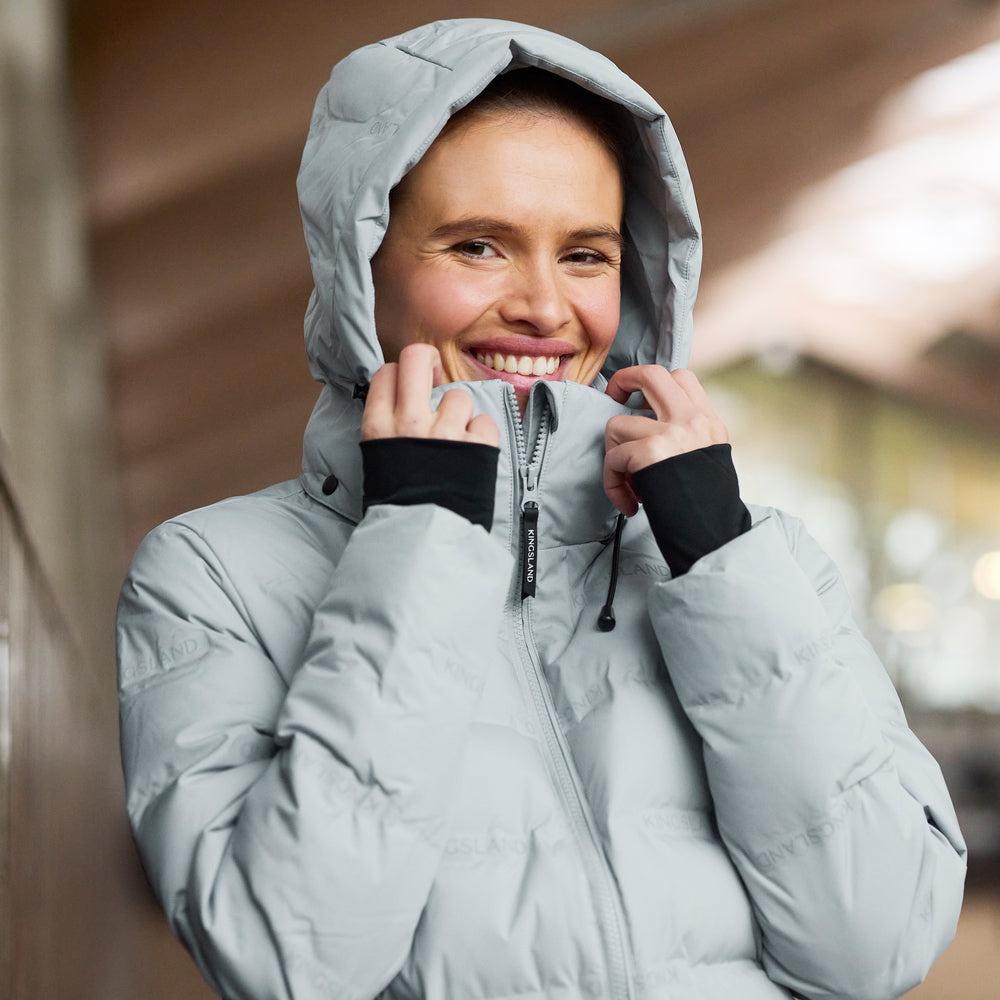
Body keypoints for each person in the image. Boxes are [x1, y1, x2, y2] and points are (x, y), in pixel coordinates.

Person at [116, 18, 966, 1000]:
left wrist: (718, 567)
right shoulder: (210, 573)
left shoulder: (754, 565)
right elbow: (289, 961)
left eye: (586, 255)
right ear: (361, 264)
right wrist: (423, 538)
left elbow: (876, 948)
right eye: (478, 246)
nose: (543, 306)